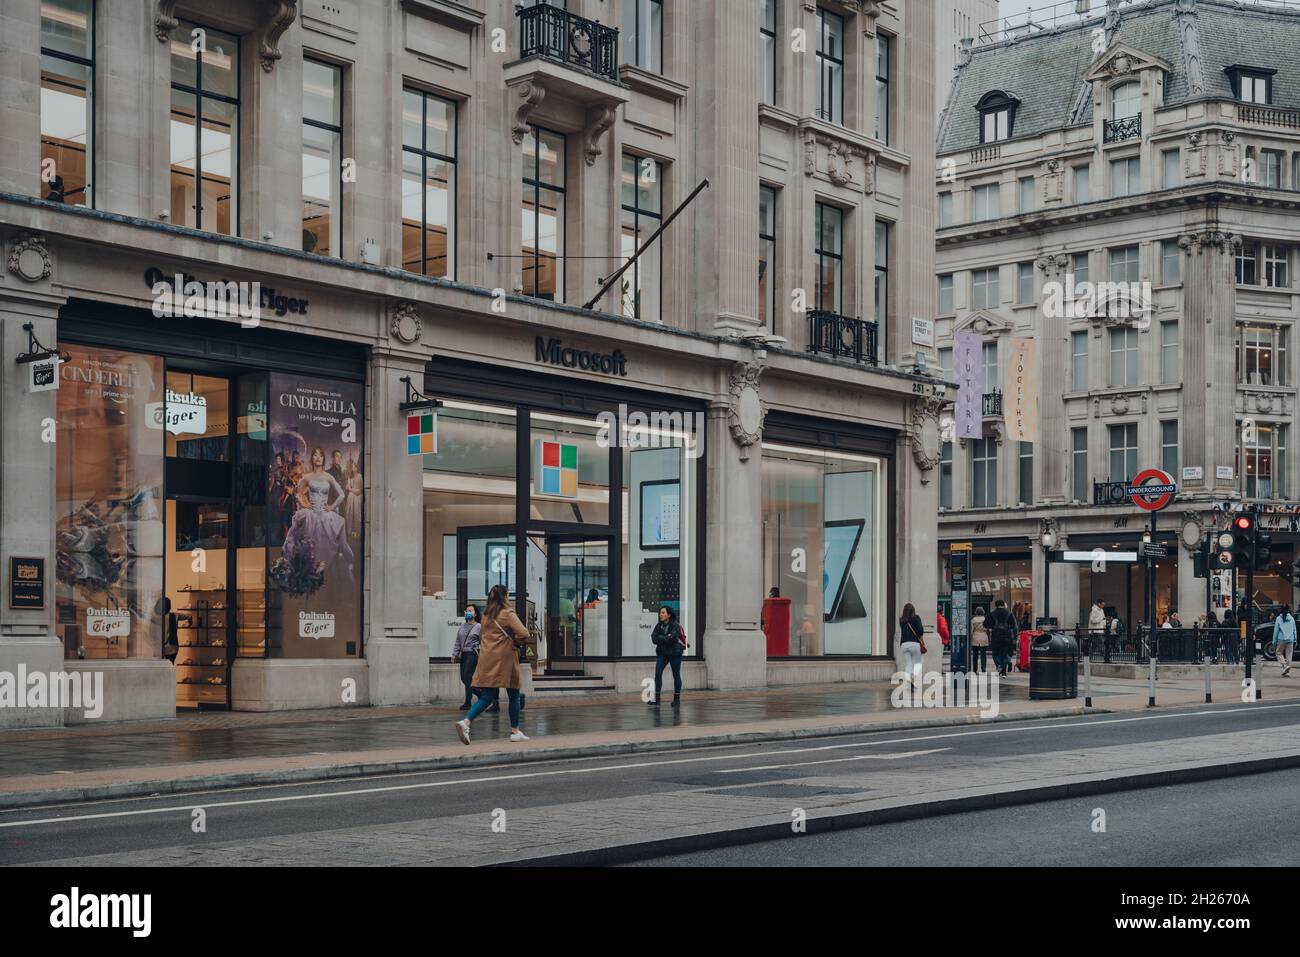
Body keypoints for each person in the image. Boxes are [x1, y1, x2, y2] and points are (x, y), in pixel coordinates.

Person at [455, 585, 530, 744]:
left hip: (487, 658)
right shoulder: (507, 614)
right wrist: (516, 642)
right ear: (505, 597)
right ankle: (515, 731)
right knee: (514, 693)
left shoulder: (486, 616)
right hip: (505, 658)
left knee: (487, 695)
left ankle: (466, 722)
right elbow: (524, 633)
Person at [649, 605, 687, 706]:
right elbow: (653, 638)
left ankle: (677, 699)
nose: (660, 614)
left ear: (669, 615)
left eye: (663, 613)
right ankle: (657, 699)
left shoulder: (675, 626)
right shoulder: (658, 625)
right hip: (662, 653)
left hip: (675, 654)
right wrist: (665, 638)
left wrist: (662, 638)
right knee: (657, 674)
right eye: (660, 612)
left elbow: (670, 639)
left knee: (676, 675)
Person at [450, 603, 481, 711]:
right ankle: (481, 694)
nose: (468, 612)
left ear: (475, 614)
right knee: (464, 678)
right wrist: (454, 654)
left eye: (471, 611)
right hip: (463, 655)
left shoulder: (478, 626)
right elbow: (458, 641)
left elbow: (483, 641)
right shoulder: (462, 625)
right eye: (467, 610)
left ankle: (468, 702)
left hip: (472, 655)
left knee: (468, 678)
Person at [898, 603, 926, 687]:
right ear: (913, 610)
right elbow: (920, 631)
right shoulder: (916, 618)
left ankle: (907, 678)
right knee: (919, 661)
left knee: (909, 663)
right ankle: (913, 676)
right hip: (914, 643)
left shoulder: (902, 620)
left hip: (904, 644)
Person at [987, 599, 1016, 677]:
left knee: (995, 653)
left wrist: (992, 626)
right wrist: (1015, 637)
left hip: (996, 636)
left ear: (995, 605)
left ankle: (998, 665)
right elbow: (1014, 626)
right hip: (1006, 636)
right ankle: (1004, 672)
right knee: (1005, 653)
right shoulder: (1009, 613)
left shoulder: (992, 613)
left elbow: (986, 624)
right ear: (1003, 604)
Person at [1273, 605, 1295, 677]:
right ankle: (1287, 672)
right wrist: (1295, 639)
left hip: (1281, 639)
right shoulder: (1292, 618)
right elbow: (1294, 630)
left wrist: (1274, 642)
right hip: (1291, 639)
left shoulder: (1278, 619)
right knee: (1289, 655)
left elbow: (1276, 631)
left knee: (1278, 653)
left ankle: (1285, 666)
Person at [969, 606, 989, 673]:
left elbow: (971, 631)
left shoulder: (973, 620)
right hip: (984, 637)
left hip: (975, 637)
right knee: (983, 654)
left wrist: (970, 638)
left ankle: (975, 669)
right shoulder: (985, 619)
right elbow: (988, 629)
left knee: (975, 655)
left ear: (976, 612)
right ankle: (983, 668)